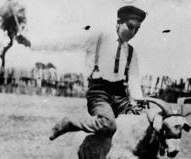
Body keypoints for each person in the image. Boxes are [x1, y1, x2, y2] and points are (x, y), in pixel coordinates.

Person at [16, 5, 146, 140]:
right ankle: (70, 122)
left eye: (137, 29)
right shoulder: (98, 38)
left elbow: (134, 80)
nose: (133, 33)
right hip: (99, 94)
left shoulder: (131, 52)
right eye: (130, 27)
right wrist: (31, 43)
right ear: (118, 22)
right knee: (108, 126)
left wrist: (139, 104)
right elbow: (65, 43)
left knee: (142, 123)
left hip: (121, 97)